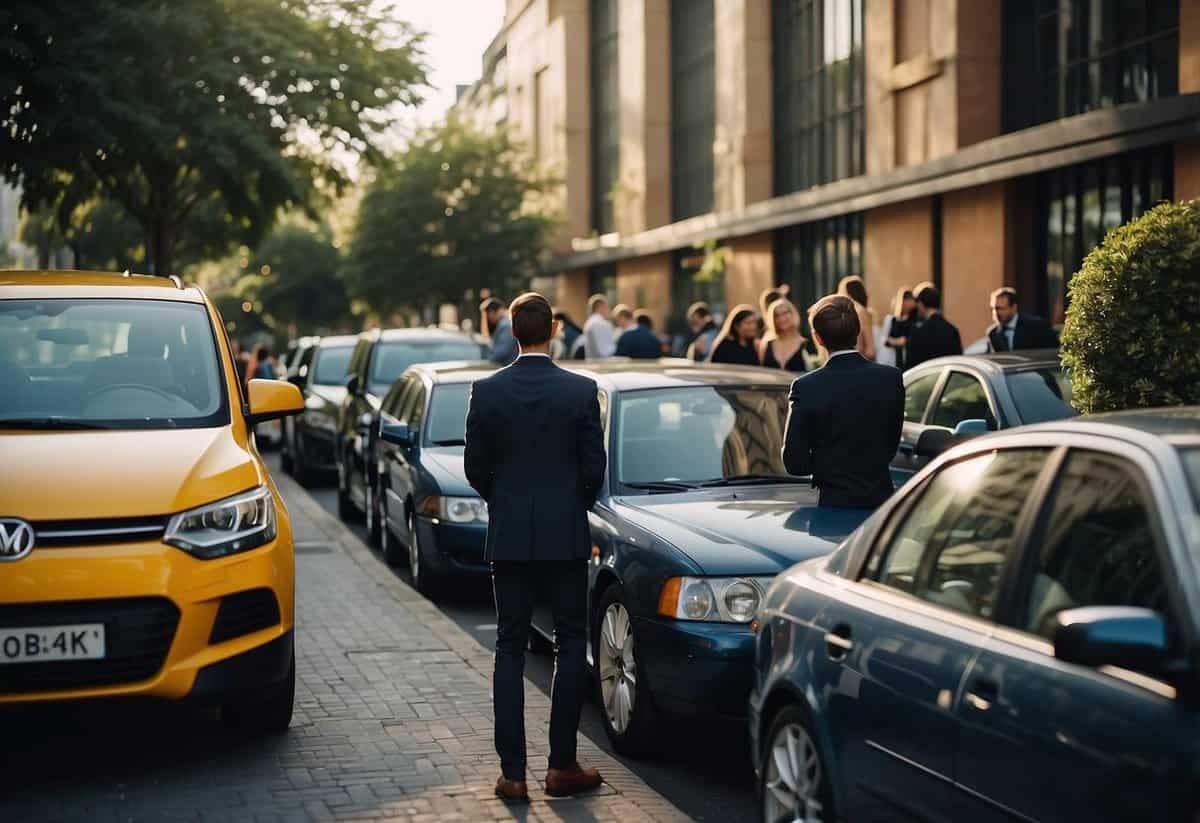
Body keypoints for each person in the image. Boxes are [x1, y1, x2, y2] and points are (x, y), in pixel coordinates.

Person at [463, 292, 607, 803]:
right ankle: (561, 765)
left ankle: (513, 773)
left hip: (510, 536)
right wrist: (570, 503)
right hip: (565, 533)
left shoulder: (486, 390)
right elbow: (594, 468)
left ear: (513, 331)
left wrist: (505, 501)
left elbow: (474, 469)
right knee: (571, 643)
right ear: (554, 331)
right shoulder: (580, 390)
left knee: (508, 647)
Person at [782, 295, 904, 508]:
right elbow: (890, 446)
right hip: (881, 502)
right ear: (858, 332)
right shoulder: (890, 378)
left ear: (818, 338)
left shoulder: (807, 386)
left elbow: (795, 462)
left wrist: (832, 463)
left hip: (833, 503)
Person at [905, 285, 963, 369]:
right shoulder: (952, 330)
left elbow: (911, 367)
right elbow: (958, 363)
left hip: (925, 379)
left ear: (921, 305)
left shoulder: (918, 333)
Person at [986, 287, 1059, 352]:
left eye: (1001, 308)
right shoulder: (993, 333)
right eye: (993, 308)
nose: (995, 313)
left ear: (1014, 308)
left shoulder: (1036, 326)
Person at [758, 298, 809, 373]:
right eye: (776, 315)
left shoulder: (807, 344)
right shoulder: (766, 344)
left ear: (792, 314)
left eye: (785, 313)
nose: (781, 318)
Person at [837, 275, 877, 360]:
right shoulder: (862, 312)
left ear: (848, 294)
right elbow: (871, 351)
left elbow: (870, 351)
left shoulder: (858, 312)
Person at [882, 287, 917, 370]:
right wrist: (897, 341)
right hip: (893, 357)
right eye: (908, 300)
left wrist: (896, 341)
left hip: (908, 357)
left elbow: (909, 339)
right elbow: (885, 340)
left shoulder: (914, 319)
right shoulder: (893, 319)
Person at [481, 297, 519, 366]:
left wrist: (488, 360)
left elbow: (502, 352)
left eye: (490, 313)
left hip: (508, 367)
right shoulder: (507, 324)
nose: (489, 317)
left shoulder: (505, 326)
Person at [582, 294, 615, 359]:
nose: (609, 310)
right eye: (607, 307)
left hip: (593, 362)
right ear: (600, 306)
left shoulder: (590, 322)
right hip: (601, 365)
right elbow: (606, 352)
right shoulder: (601, 323)